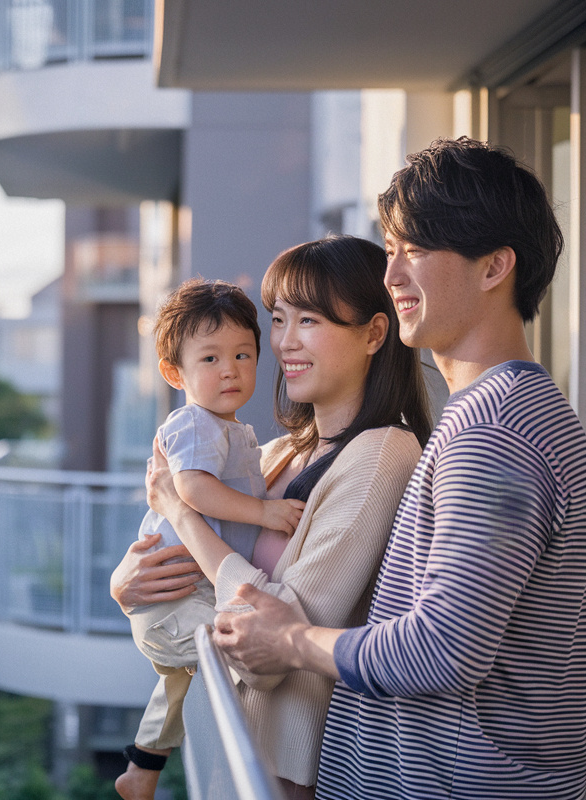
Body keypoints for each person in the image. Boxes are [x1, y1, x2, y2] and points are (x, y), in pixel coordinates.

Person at [212, 137, 586, 800]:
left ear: (494, 267)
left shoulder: (495, 433)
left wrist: (294, 640)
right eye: (390, 250)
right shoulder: (499, 414)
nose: (392, 277)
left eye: (415, 250)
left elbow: (442, 649)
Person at [114, 236, 431, 800]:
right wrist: (126, 582)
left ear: (374, 334)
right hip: (225, 754)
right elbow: (178, 531)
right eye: (279, 319)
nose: (284, 342)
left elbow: (274, 652)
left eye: (308, 320)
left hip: (280, 772)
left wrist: (181, 515)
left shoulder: (382, 455)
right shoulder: (276, 453)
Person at [120, 278, 307, 800]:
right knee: (241, 646)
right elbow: (194, 490)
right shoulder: (195, 423)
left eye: (243, 354)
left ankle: (141, 771)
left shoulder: (235, 432)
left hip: (186, 593)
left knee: (181, 683)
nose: (231, 369)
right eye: (210, 359)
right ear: (174, 373)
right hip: (174, 596)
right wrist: (265, 512)